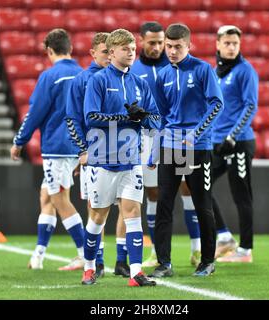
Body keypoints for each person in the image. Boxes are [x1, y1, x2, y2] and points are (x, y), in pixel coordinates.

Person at [80, 28, 160, 286]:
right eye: (125, 49)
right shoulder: (99, 81)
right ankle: (89, 267)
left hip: (131, 160)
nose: (131, 52)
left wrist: (145, 117)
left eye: (133, 49)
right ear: (112, 51)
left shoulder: (140, 84)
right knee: (98, 217)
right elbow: (91, 117)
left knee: (132, 212)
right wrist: (127, 118)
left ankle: (136, 272)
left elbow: (157, 120)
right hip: (102, 161)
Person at [149, 23, 224, 278]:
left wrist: (196, 133)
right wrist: (153, 151)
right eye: (168, 46)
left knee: (202, 205)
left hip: (197, 147)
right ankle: (164, 263)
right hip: (170, 146)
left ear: (188, 45)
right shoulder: (162, 75)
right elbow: (160, 115)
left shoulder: (203, 70)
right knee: (164, 205)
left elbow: (217, 104)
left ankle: (207, 260)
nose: (171, 51)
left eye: (177, 46)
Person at [11, 29, 86, 271]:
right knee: (46, 196)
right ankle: (38, 256)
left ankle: (86, 255)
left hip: (57, 146)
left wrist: (20, 140)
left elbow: (35, 112)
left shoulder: (50, 76)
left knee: (59, 199)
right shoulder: (84, 75)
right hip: (77, 148)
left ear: (49, 51)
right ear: (70, 48)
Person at [131, 21, 202, 268]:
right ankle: (156, 251)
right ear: (141, 41)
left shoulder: (174, 65)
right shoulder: (134, 69)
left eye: (161, 42)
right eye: (152, 42)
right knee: (154, 193)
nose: (158, 47)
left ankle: (197, 249)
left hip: (176, 135)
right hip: (147, 137)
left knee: (187, 188)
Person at [66, 32, 130, 278]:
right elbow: (72, 119)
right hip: (95, 155)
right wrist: (82, 149)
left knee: (128, 207)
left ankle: (122, 261)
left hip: (124, 154)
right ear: (93, 53)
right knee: (96, 209)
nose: (109, 56)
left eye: (111, 51)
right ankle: (98, 261)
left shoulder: (126, 78)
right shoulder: (82, 80)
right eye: (104, 51)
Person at [210, 25, 259, 263]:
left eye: (235, 44)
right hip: (216, 143)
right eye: (227, 43)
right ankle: (224, 236)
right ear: (217, 44)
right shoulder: (214, 72)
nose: (231, 47)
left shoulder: (245, 71)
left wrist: (232, 136)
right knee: (199, 186)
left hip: (238, 143)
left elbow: (250, 106)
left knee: (242, 196)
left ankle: (246, 250)